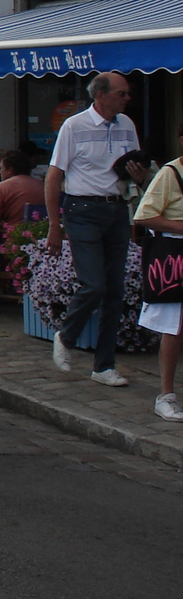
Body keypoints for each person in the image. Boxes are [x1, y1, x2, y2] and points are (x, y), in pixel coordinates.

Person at [45, 72, 141, 386]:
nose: (126, 98)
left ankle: (103, 366)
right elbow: (53, 175)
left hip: (116, 207)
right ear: (100, 95)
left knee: (114, 290)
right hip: (83, 208)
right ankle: (67, 335)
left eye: (127, 93)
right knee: (94, 284)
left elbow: (134, 173)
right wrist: (54, 225)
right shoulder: (74, 126)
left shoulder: (127, 125)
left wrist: (138, 176)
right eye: (121, 93)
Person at [134, 123, 183, 421]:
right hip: (176, 255)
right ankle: (166, 395)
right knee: (174, 327)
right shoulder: (170, 173)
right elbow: (145, 215)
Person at [0, 150, 45, 234]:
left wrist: (2, 224)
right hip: (41, 236)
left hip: (14, 238)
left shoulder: (2, 188)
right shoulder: (42, 186)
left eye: (1, 168)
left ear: (10, 170)